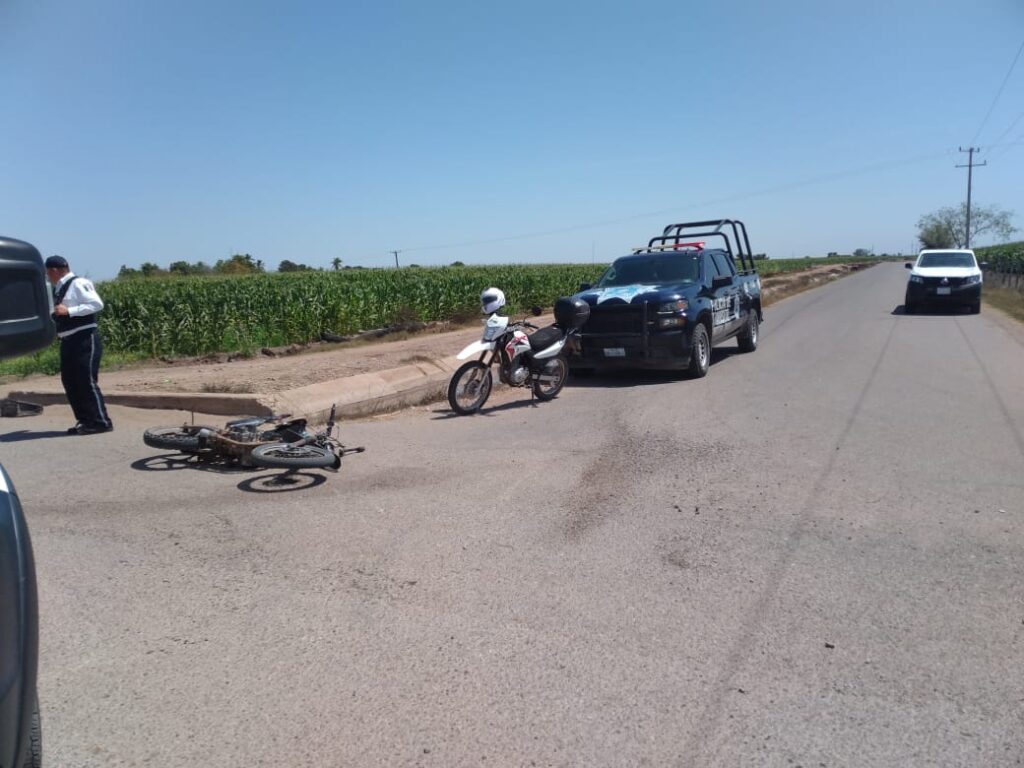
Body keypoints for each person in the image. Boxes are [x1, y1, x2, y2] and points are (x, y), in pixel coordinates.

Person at [44, 255, 113, 434]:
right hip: (68, 340)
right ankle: (85, 421)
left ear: (54, 271)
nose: (47, 277)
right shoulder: (58, 288)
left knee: (86, 380)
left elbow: (96, 304)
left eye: (47, 273)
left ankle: (101, 422)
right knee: (70, 381)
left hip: (84, 337)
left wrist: (70, 310)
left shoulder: (78, 283)